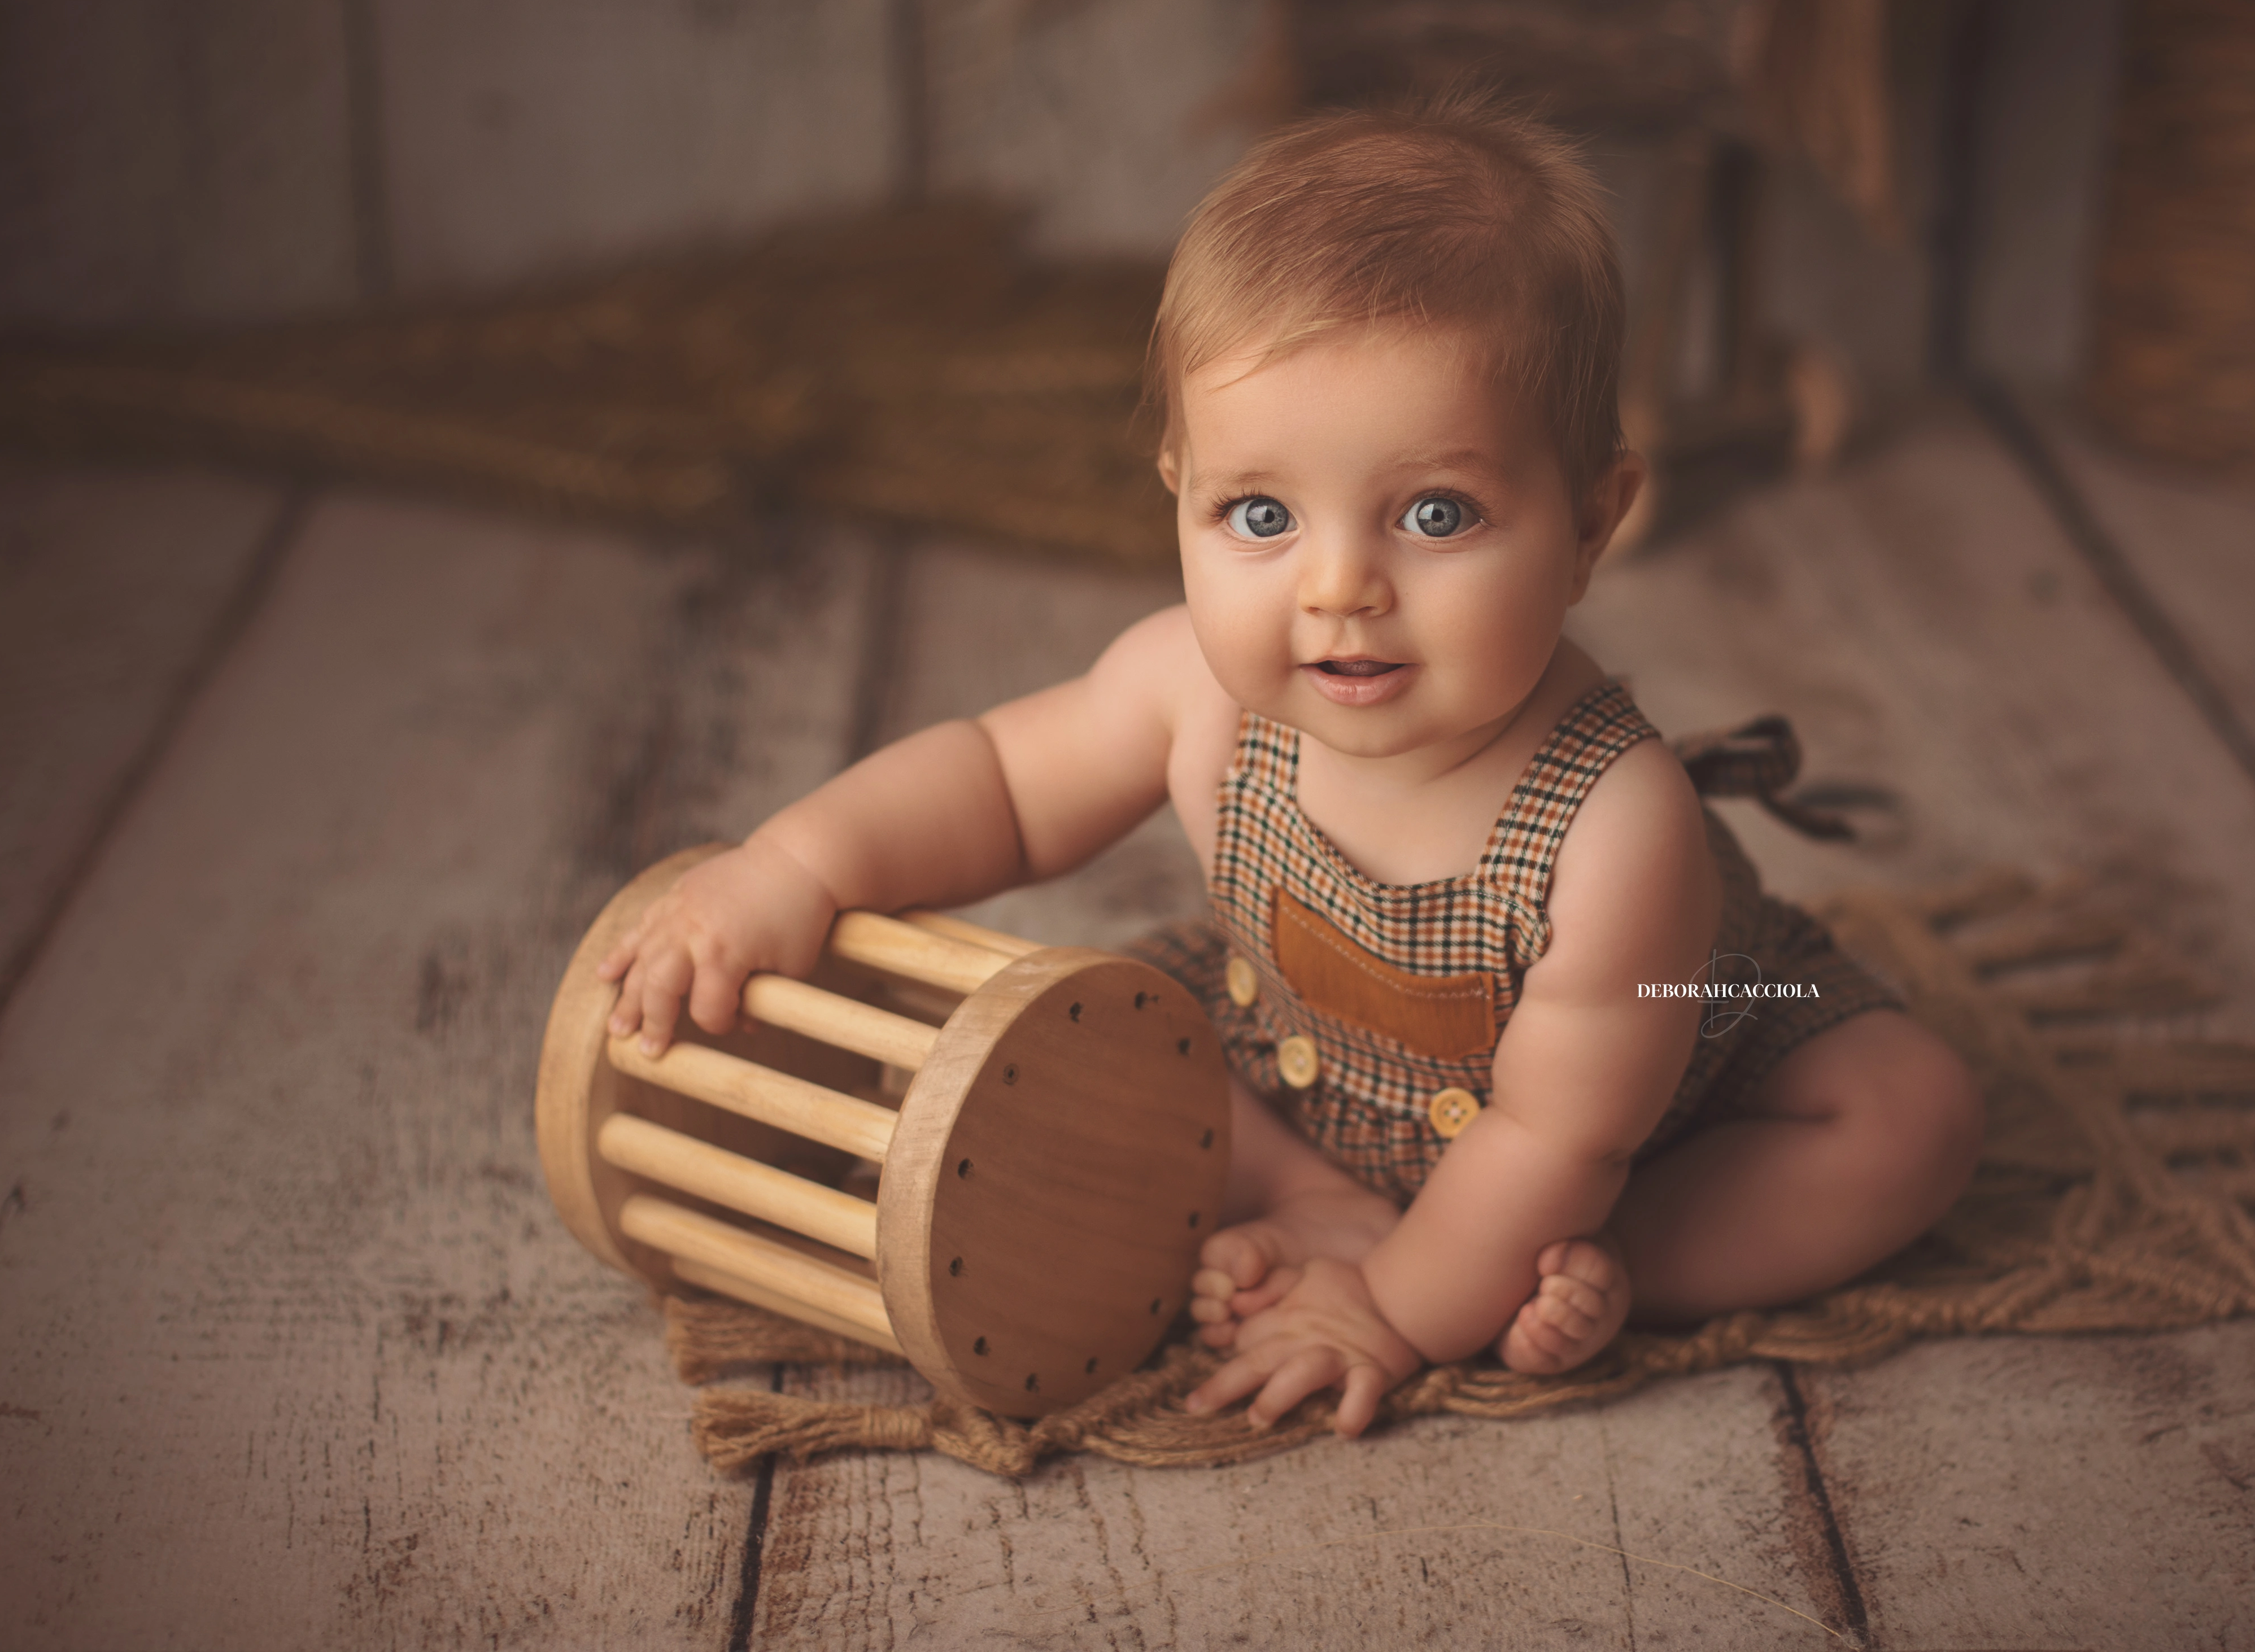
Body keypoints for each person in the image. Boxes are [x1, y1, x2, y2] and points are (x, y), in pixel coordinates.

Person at [599, 98, 1984, 1439]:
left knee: (1911, 1117)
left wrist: (1389, 1307)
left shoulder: (1619, 830)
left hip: (1674, 1054)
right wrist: (793, 863)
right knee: (1106, 1050)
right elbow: (999, 787)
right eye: (1259, 512)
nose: (1338, 588)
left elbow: (1552, 1137)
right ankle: (1321, 1199)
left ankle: (1619, 1262)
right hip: (1303, 1064)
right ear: (1179, 490)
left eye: (1435, 513)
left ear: (1590, 521)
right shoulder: (1196, 688)